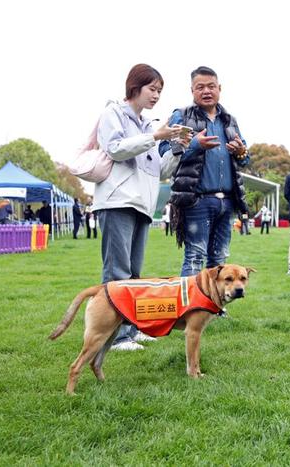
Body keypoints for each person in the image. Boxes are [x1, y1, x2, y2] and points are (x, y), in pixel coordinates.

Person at [94, 64, 186, 351]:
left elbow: (157, 171)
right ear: (135, 87)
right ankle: (117, 337)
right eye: (152, 89)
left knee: (134, 274)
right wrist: (157, 137)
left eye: (160, 91)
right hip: (117, 202)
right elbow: (115, 149)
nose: (156, 95)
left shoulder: (147, 125)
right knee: (117, 272)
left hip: (142, 206)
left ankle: (130, 331)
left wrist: (177, 148)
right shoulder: (113, 114)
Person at [159, 66, 250, 276]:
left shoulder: (229, 120)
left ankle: (213, 308)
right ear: (192, 90)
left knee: (219, 259)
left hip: (227, 201)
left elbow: (245, 158)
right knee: (195, 256)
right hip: (196, 200)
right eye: (200, 87)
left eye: (211, 86)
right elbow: (164, 151)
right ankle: (189, 308)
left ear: (220, 88)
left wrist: (241, 152)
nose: (206, 91)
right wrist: (194, 144)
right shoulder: (182, 116)